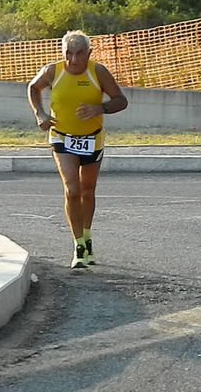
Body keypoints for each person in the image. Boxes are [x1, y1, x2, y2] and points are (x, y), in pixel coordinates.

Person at [28, 30, 128, 268]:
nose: (73, 60)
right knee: (72, 189)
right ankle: (78, 245)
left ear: (89, 53)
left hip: (92, 139)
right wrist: (40, 114)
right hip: (62, 138)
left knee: (87, 190)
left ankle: (87, 235)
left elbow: (121, 100)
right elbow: (33, 87)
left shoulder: (98, 72)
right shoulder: (53, 71)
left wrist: (100, 108)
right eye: (68, 53)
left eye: (79, 54)